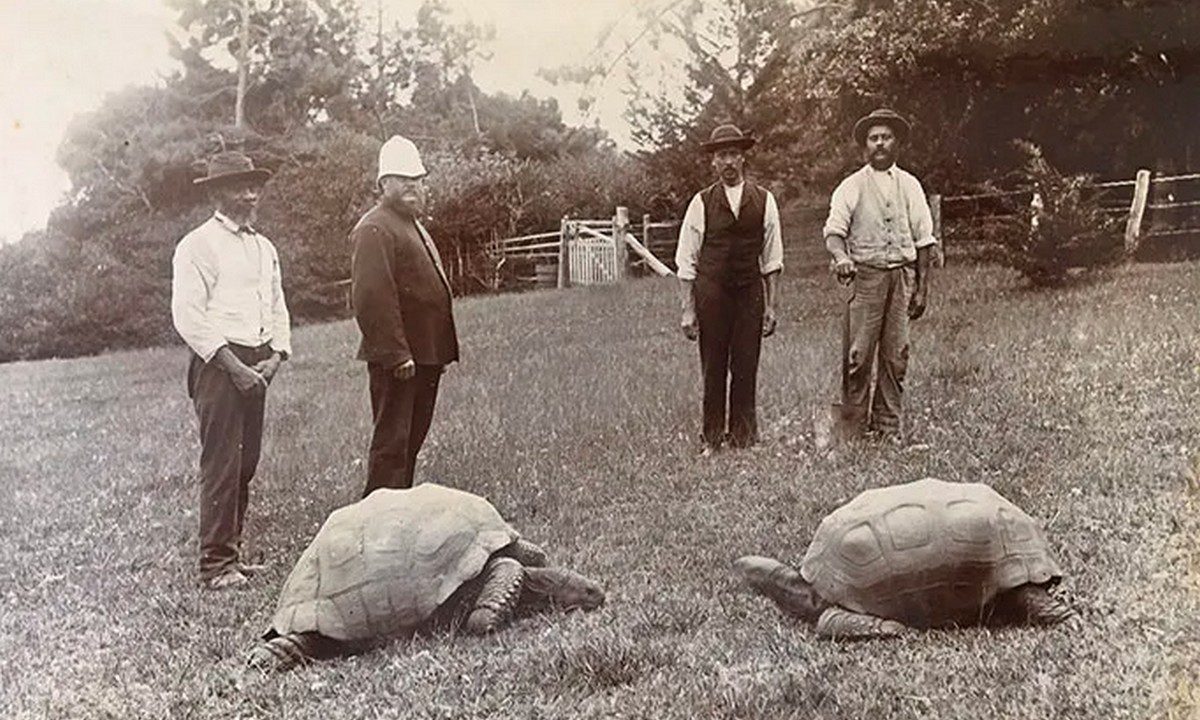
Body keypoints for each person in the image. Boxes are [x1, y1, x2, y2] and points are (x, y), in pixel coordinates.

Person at [171, 150, 291, 590]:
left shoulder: (263, 246)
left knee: (246, 462)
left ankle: (232, 554)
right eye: (241, 185)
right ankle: (215, 564)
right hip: (218, 365)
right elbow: (189, 317)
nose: (252, 192)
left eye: (256, 184)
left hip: (258, 362)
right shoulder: (197, 246)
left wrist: (277, 356)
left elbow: (277, 304)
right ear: (217, 193)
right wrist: (233, 366)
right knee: (221, 463)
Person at [350, 135, 458, 497]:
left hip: (425, 355)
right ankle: (377, 526)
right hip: (400, 360)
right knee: (391, 448)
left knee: (409, 444)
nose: (413, 186)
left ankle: (398, 520)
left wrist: (436, 350)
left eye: (418, 179)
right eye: (403, 179)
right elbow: (371, 298)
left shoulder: (410, 223)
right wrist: (397, 354)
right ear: (384, 184)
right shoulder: (374, 227)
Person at [823, 108, 937, 439]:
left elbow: (925, 240)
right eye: (873, 138)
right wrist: (841, 256)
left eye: (886, 137)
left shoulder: (911, 186)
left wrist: (921, 290)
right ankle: (853, 430)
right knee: (857, 356)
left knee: (897, 355)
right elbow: (833, 231)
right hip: (866, 279)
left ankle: (887, 429)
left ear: (896, 143)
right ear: (865, 146)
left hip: (901, 278)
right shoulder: (851, 186)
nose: (880, 144)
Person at [675, 124, 783, 454]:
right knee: (714, 365)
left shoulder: (764, 200)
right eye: (722, 155)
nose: (728, 162)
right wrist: (688, 308)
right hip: (712, 293)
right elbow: (686, 259)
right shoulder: (701, 203)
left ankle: (744, 437)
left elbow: (772, 258)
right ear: (713, 162)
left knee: (746, 364)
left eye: (734, 154)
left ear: (743, 157)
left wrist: (771, 306)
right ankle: (712, 439)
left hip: (749, 292)